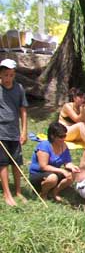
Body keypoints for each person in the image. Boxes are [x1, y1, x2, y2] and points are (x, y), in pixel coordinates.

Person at [0, 59, 28, 206]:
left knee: (16, 163)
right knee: (3, 163)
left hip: (14, 132)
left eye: (11, 75)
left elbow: (23, 110)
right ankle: (7, 193)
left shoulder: (19, 88)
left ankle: (18, 191)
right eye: (5, 75)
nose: (8, 78)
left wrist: (24, 131)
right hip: (1, 132)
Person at [28, 122, 80, 202]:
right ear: (52, 136)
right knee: (53, 178)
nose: (63, 138)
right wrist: (62, 170)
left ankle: (54, 192)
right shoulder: (44, 145)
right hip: (38, 174)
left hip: (54, 173)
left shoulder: (64, 146)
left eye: (65, 135)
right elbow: (43, 166)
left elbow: (67, 163)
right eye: (61, 136)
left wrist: (73, 167)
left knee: (72, 174)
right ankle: (43, 194)